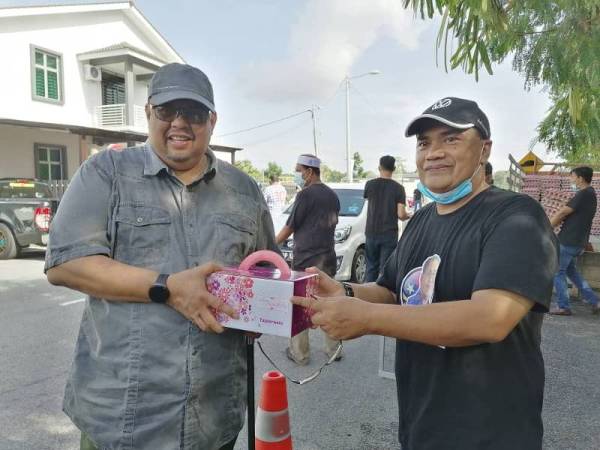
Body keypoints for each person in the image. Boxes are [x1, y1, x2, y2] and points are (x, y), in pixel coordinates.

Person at [292, 97, 558, 450]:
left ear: (484, 150)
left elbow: (489, 319)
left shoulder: (516, 216)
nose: (433, 152)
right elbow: (388, 288)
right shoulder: (421, 220)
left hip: (492, 434)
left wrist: (367, 318)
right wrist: (345, 293)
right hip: (422, 426)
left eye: (450, 139)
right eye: (424, 142)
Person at [45, 63, 278, 450]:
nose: (180, 124)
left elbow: (262, 270)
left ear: (213, 121)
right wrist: (166, 287)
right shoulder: (107, 173)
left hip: (214, 418)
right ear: (148, 112)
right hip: (122, 418)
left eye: (194, 113)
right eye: (168, 111)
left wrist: (263, 311)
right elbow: (65, 263)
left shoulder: (243, 191)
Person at [275, 154, 341, 365]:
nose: (297, 175)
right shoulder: (332, 195)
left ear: (309, 172)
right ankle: (334, 350)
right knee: (329, 303)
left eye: (298, 170)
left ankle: (300, 354)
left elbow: (289, 227)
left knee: (300, 306)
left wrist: (270, 244)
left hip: (305, 261)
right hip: (327, 259)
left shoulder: (305, 195)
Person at [549, 166, 600, 315]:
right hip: (578, 242)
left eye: (572, 176)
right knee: (572, 272)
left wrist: (548, 225)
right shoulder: (591, 194)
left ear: (580, 178)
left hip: (569, 240)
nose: (571, 179)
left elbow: (564, 211)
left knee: (557, 272)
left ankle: (563, 306)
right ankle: (595, 301)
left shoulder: (583, 194)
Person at [363, 155, 410, 282]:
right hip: (389, 234)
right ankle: (382, 298)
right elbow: (401, 214)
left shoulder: (369, 185)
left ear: (379, 167)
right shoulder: (399, 188)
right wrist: (409, 215)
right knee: (386, 270)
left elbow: (368, 200)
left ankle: (367, 297)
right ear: (393, 169)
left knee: (371, 268)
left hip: (371, 232)